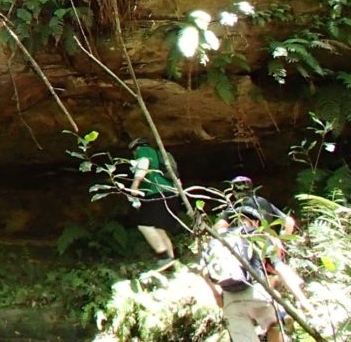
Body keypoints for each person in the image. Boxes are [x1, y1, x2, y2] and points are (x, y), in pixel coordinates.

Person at [202, 205, 310, 342]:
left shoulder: (217, 240)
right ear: (257, 222)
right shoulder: (257, 235)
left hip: (230, 300)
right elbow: (280, 269)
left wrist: (218, 296)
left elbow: (204, 272)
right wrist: (303, 300)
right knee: (274, 325)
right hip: (257, 293)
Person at [127, 137, 180, 267]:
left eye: (133, 152)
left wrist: (135, 183)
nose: (134, 155)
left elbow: (143, 163)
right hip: (170, 193)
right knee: (158, 227)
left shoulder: (144, 150)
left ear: (136, 148)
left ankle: (163, 255)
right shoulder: (158, 155)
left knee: (144, 225)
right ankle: (171, 259)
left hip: (157, 192)